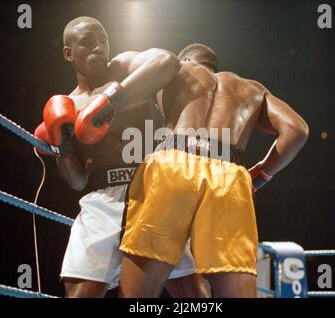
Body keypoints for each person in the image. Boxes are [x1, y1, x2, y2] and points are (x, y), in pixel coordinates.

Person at [34, 19, 209, 298]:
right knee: (80, 292)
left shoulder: (125, 68)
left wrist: (112, 100)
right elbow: (77, 180)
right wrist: (63, 145)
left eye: (102, 39)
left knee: (194, 294)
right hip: (102, 201)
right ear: (68, 53)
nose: (98, 46)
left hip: (150, 193)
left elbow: (168, 62)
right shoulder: (69, 106)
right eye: (87, 41)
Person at [118, 43, 309, 297]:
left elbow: (126, 76)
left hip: (172, 164)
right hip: (229, 176)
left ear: (186, 58)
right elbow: (297, 130)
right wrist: (260, 175)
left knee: (138, 298)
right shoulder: (252, 88)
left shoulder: (174, 68)